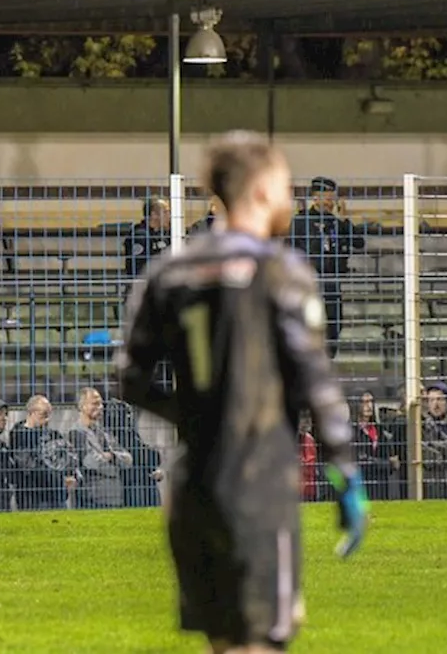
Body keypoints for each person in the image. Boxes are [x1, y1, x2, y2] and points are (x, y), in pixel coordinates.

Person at [118, 131, 368, 654]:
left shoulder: (169, 272)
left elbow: (130, 379)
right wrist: (344, 469)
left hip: (191, 487)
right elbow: (316, 382)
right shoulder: (282, 271)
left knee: (225, 640)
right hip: (260, 485)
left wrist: (192, 418)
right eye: (285, 188)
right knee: (262, 641)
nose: (292, 201)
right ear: (258, 192)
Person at [287, 177, 366, 359]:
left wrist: (345, 220)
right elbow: (289, 249)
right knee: (309, 325)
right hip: (309, 283)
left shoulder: (336, 223)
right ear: (316, 198)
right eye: (328, 198)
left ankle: (328, 359)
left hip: (332, 283)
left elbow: (359, 243)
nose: (331, 203)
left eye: (333, 199)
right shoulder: (301, 222)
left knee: (333, 326)